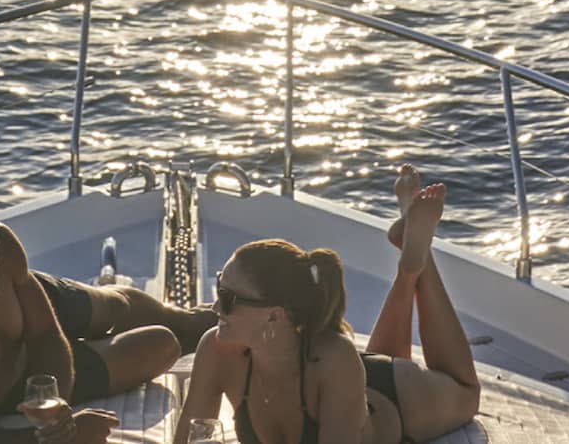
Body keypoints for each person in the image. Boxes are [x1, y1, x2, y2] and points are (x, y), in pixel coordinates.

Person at [173, 166, 481, 444]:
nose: (215, 309)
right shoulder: (215, 349)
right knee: (379, 359)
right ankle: (409, 257)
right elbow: (188, 440)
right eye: (218, 288)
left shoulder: (335, 357)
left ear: (274, 315)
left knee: (467, 393)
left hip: (395, 400)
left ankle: (416, 264)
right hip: (347, 386)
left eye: (228, 298)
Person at [0, 179, 214, 444]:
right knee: (162, 344)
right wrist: (53, 435)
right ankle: (182, 325)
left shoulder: (1, 246)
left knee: (116, 306)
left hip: (30, 300)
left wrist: (56, 402)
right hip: (13, 386)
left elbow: (45, 333)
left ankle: (191, 317)